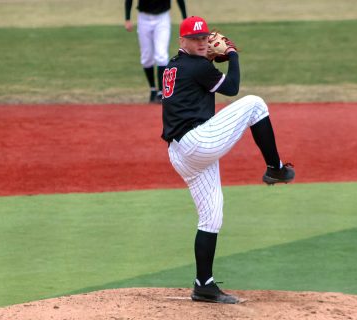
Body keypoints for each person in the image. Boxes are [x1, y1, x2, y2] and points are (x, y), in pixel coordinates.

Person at [161, 16, 295, 304]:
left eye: (203, 38)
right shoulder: (196, 66)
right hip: (198, 143)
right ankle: (276, 168)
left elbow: (200, 80)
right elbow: (232, 87)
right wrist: (232, 55)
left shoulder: (174, 65)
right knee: (255, 104)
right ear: (181, 40)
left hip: (181, 154)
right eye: (194, 39)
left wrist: (211, 60)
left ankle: (204, 284)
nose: (200, 43)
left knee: (211, 216)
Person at [124, 0, 187, 104]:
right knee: (146, 58)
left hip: (162, 18)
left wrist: (184, 17)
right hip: (143, 18)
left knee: (161, 56)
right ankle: (153, 89)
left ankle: (161, 92)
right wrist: (127, 18)